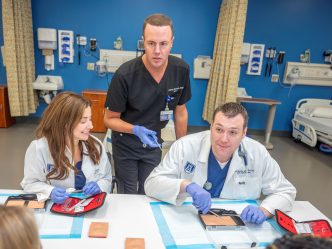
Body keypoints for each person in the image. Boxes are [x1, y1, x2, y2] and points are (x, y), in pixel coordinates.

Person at [145, 102, 296, 224]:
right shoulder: (185, 146)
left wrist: (264, 210)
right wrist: (186, 185)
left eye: (233, 132)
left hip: (240, 223)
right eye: (219, 129)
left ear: (244, 133)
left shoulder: (257, 153)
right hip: (187, 219)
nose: (223, 139)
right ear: (210, 127)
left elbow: (285, 191)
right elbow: (151, 184)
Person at [104, 13, 191, 194]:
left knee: (150, 191)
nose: (157, 51)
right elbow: (109, 119)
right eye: (151, 43)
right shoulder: (124, 75)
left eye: (163, 44)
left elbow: (180, 111)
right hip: (125, 142)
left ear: (172, 42)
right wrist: (135, 129)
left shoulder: (180, 70)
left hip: (153, 142)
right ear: (143, 41)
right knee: (128, 194)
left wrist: (181, 147)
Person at [21, 92, 112, 203]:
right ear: (65, 123)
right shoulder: (39, 149)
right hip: (56, 210)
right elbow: (30, 183)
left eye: (90, 119)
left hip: (90, 207)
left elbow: (107, 178)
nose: (91, 126)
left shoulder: (96, 146)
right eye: (83, 121)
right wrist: (50, 191)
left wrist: (99, 186)